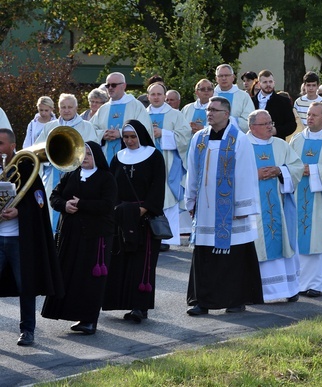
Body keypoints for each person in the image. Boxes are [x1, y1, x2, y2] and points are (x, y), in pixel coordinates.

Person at [185, 97, 263, 315]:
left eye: (214, 110)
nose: (209, 113)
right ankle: (203, 300)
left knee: (234, 256)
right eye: (208, 109)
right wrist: (190, 200)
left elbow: (246, 175)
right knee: (205, 255)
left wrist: (241, 208)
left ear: (226, 114)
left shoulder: (238, 139)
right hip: (205, 209)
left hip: (230, 210)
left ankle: (235, 299)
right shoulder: (199, 138)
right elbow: (193, 170)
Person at [41, 142, 117, 335]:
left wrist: (81, 204)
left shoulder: (106, 178)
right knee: (69, 276)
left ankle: (89, 320)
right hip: (70, 234)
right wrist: (65, 205)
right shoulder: (71, 174)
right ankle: (69, 313)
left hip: (95, 236)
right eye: (83, 154)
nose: (85, 158)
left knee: (89, 279)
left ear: (97, 157)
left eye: (89, 155)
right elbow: (54, 196)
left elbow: (108, 205)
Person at [0, 128, 64, 346]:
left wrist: (19, 211)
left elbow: (39, 203)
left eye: (0, 143)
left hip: (18, 238)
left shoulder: (26, 167)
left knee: (25, 286)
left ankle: (27, 330)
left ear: (12, 145)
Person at [102, 120, 165, 324]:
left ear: (141, 136)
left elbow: (157, 186)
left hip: (144, 217)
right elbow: (111, 186)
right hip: (121, 217)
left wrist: (143, 209)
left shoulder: (154, 156)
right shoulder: (118, 158)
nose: (129, 141)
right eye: (126, 137)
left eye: (133, 137)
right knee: (122, 262)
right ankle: (124, 302)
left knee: (142, 263)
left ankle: (140, 307)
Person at [246, 109, 304, 302]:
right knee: (257, 244)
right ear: (253, 127)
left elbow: (296, 167)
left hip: (279, 206)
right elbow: (232, 174)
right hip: (251, 209)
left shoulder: (280, 145)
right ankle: (255, 291)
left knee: (280, 241)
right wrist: (256, 175)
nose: (271, 127)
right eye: (265, 124)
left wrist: (280, 171)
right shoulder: (243, 145)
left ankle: (287, 289)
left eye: (271, 123)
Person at [289, 102, 322, 297]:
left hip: (321, 199)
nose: (309, 118)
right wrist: (296, 170)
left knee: (318, 240)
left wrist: (312, 170)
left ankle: (318, 285)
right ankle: (299, 283)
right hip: (298, 197)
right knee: (299, 239)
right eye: (308, 114)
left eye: (314, 115)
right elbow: (288, 164)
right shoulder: (296, 140)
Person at [36, 94, 99, 231]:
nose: (66, 110)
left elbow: (93, 151)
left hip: (77, 174)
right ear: (58, 109)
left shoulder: (86, 126)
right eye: (63, 107)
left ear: (76, 107)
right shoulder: (50, 127)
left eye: (70, 107)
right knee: (50, 208)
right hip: (53, 173)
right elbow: (38, 150)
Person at [146, 82, 192, 251]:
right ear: (148, 96)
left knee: (168, 198)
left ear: (165, 96)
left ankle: (167, 238)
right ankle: (149, 235)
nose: (156, 97)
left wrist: (163, 134)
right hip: (147, 163)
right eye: (153, 94)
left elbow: (185, 136)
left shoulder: (175, 115)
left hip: (169, 163)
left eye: (159, 94)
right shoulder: (142, 115)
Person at [90, 72, 153, 163]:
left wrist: (121, 133)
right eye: (108, 86)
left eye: (114, 85)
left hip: (131, 159)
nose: (110, 88)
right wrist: (103, 134)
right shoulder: (104, 108)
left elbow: (145, 129)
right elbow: (91, 129)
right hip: (106, 159)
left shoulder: (136, 106)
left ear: (124, 86)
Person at [251, 70, 297, 141]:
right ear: (259, 84)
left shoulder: (283, 101)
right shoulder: (251, 101)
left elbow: (291, 125)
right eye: (265, 82)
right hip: (254, 140)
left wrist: (276, 130)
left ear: (274, 83)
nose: (268, 84)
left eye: (270, 82)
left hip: (276, 141)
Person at [214, 64, 255, 133]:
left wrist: (228, 120)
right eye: (220, 76)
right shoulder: (210, 95)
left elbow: (250, 121)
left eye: (227, 75)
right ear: (216, 79)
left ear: (233, 77)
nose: (224, 78)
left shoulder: (243, 96)